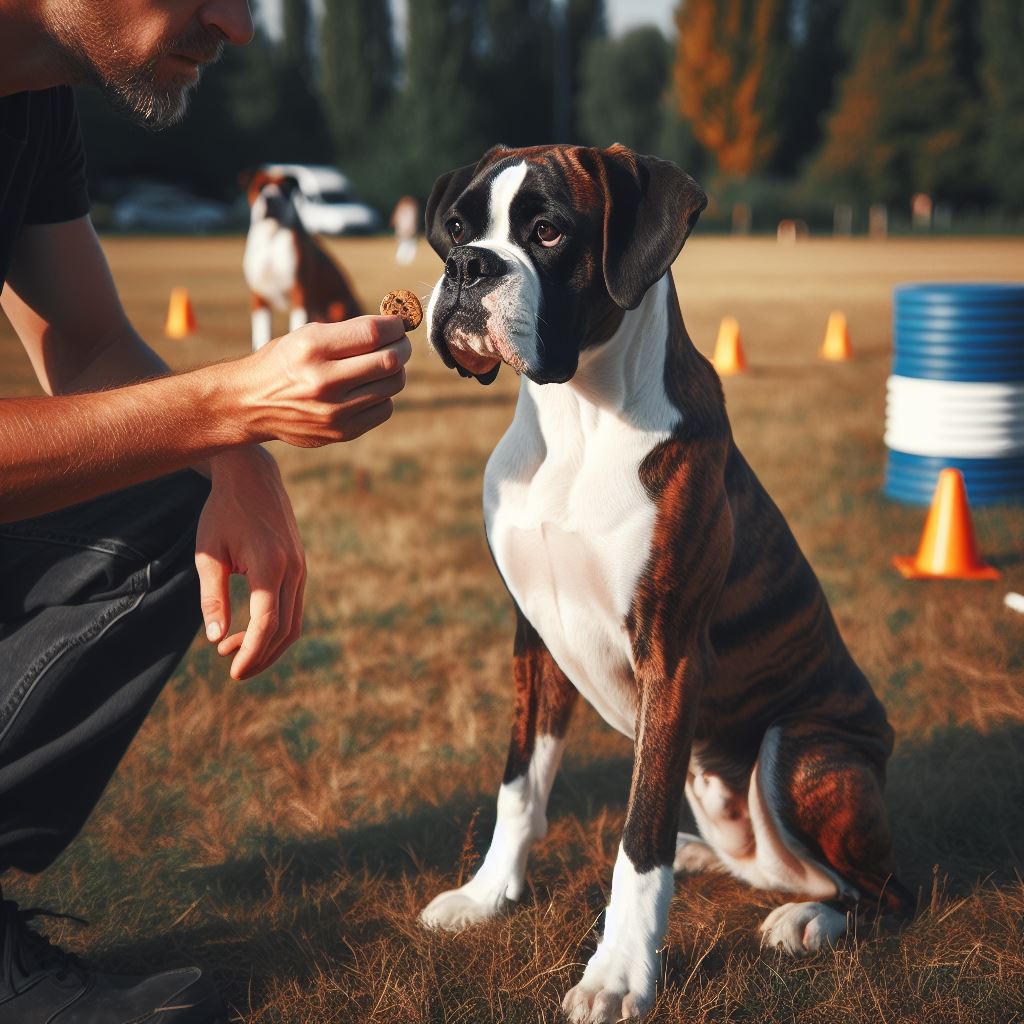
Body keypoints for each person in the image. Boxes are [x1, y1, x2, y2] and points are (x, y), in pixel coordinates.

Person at [0, 2, 411, 1021]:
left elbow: (89, 348)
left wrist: (232, 449)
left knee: (168, 482)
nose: (236, 26)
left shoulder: (33, 100)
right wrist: (220, 402)